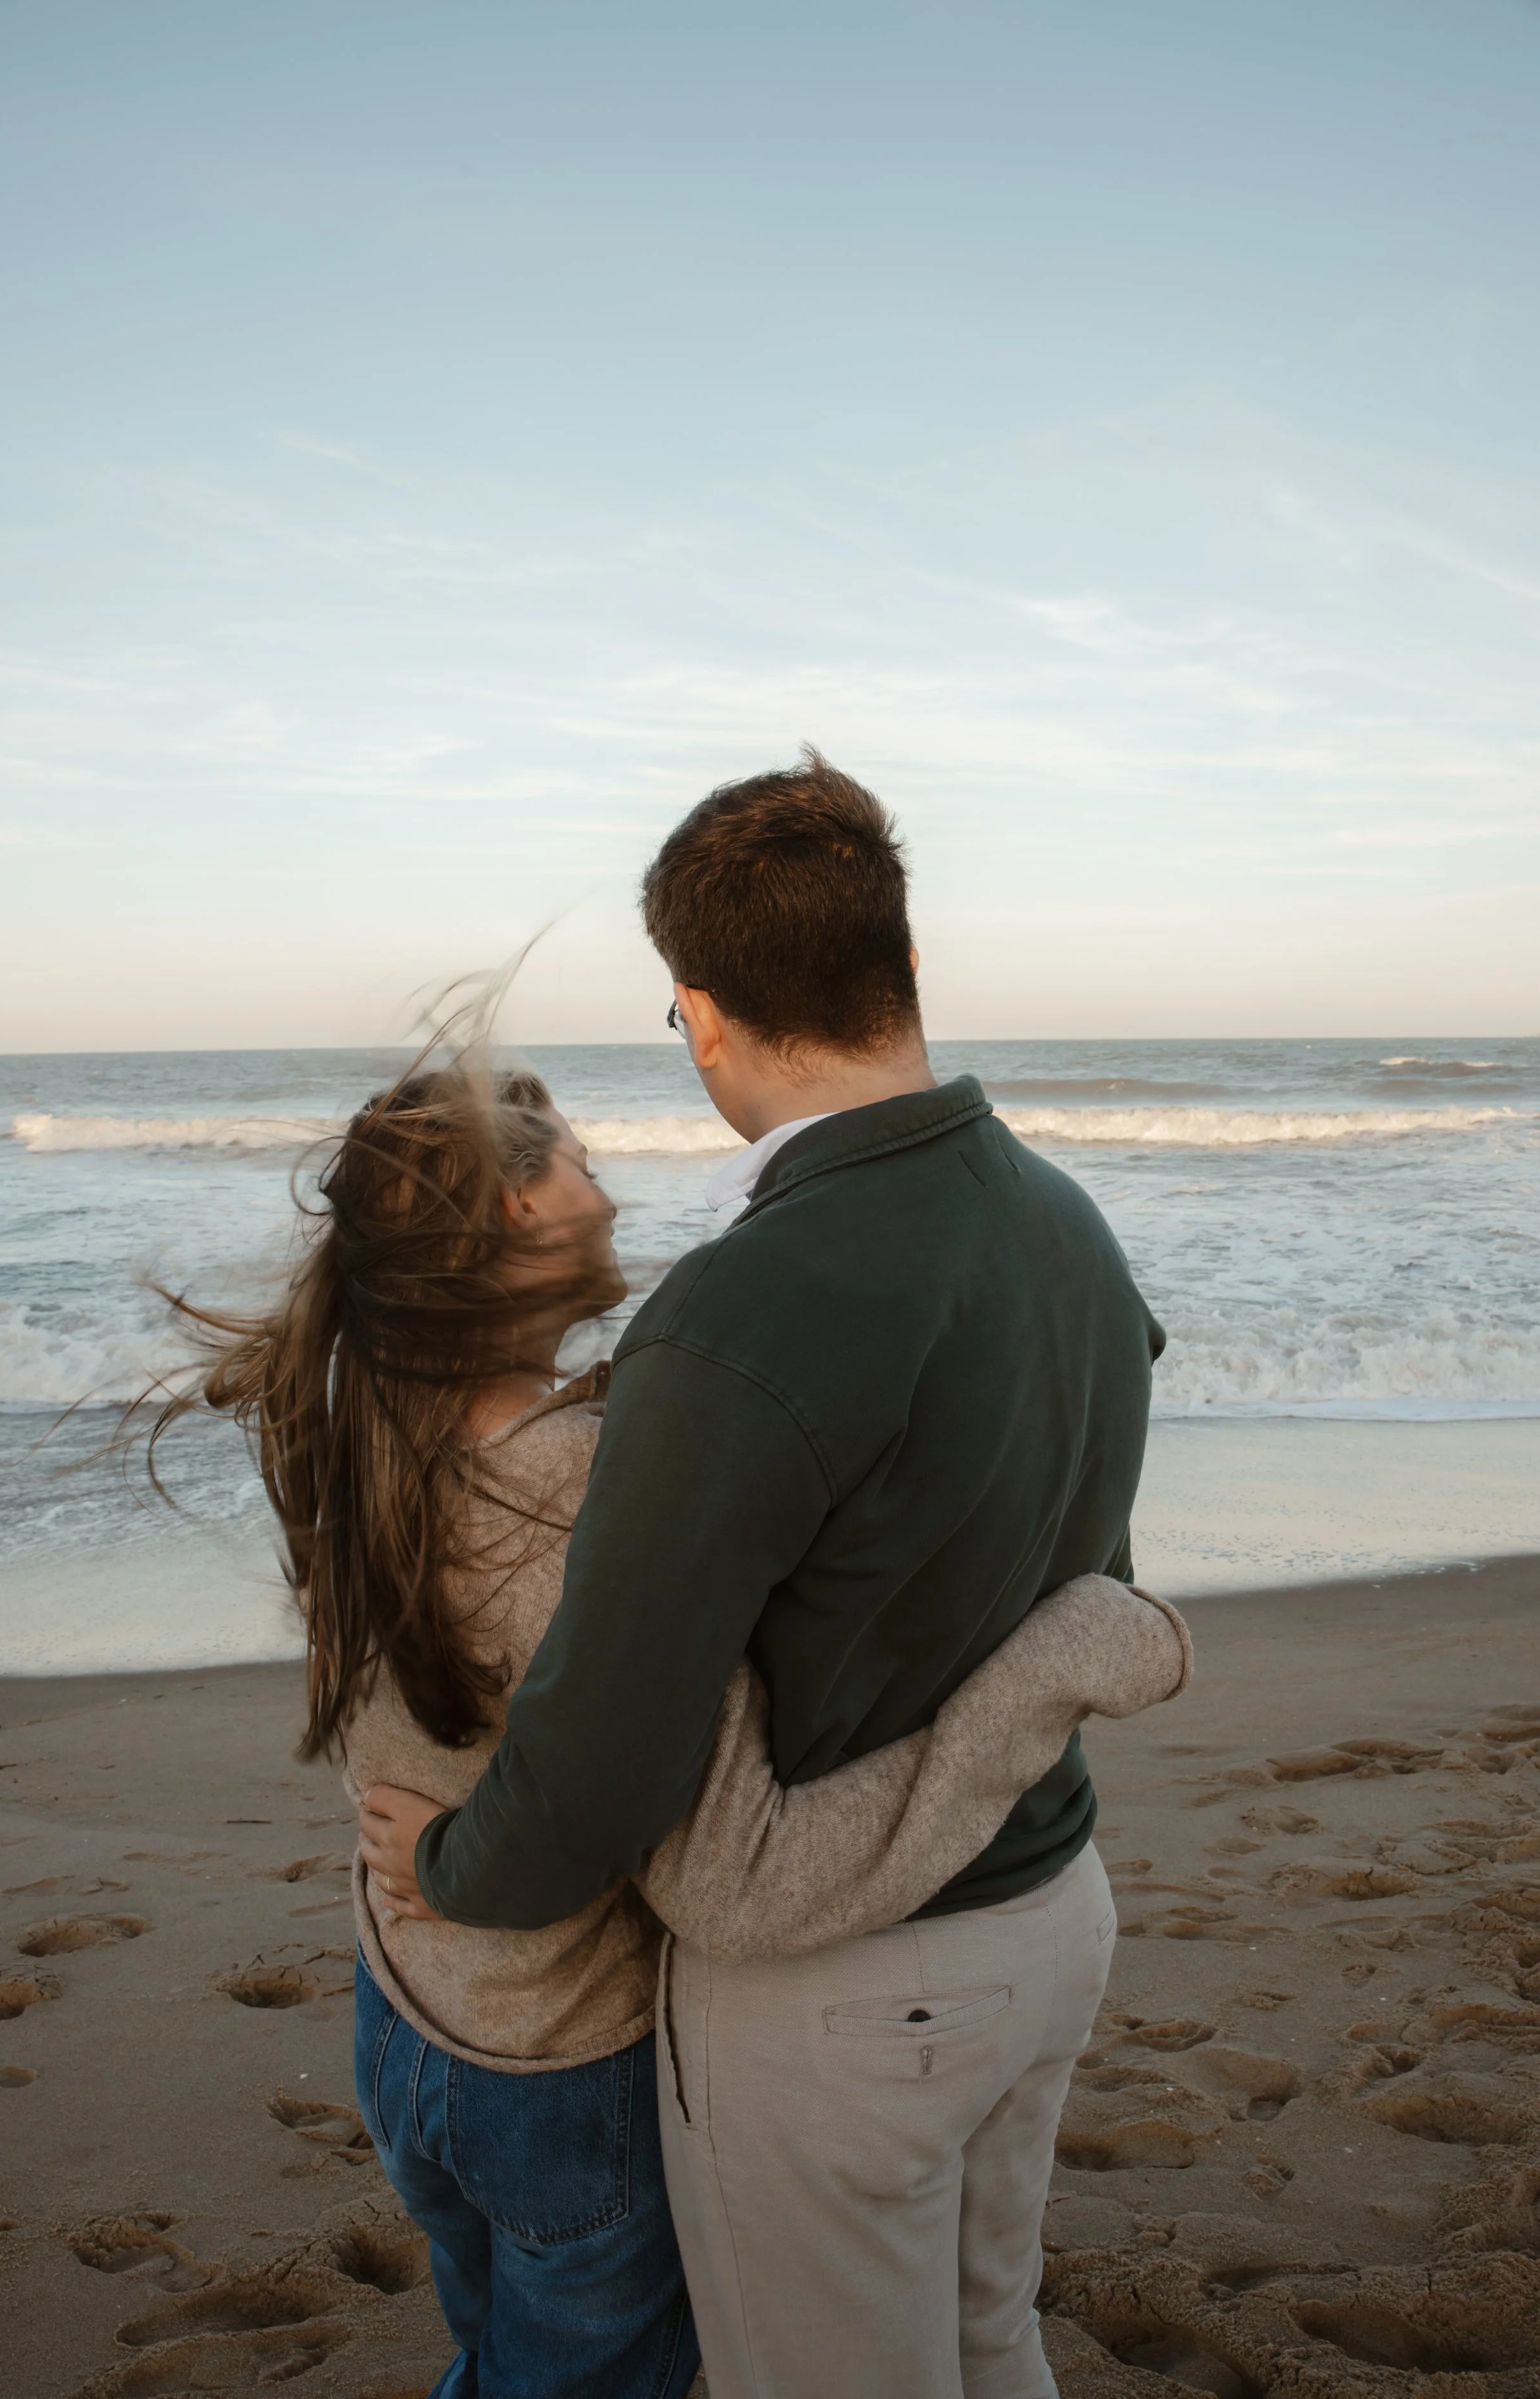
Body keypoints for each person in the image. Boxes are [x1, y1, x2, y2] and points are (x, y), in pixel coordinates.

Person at [147, 1043, 1188, 2399]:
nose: (613, 1189)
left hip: (408, 2027)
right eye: (578, 1160)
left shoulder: (362, 1419)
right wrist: (1051, 1664)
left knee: (497, 2361)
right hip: (563, 2063)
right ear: (514, 1212)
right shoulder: (586, 1478)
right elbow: (737, 1876)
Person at [362, 753, 1170, 2399]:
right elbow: (1080, 1548)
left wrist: (453, 1871)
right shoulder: (1070, 1224)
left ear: (703, 1012)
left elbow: (603, 1752)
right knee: (985, 2339)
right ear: (908, 969)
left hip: (850, 1997)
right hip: (1051, 1913)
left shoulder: (734, 1314)